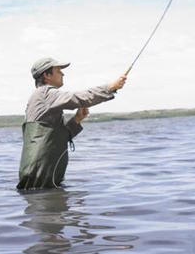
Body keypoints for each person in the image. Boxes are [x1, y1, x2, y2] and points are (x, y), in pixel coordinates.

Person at [18, 57, 127, 190]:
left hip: (41, 180)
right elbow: (79, 98)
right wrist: (110, 87)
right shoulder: (46, 94)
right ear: (46, 75)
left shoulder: (40, 96)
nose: (63, 74)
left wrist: (76, 120)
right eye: (58, 71)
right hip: (40, 180)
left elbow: (53, 138)